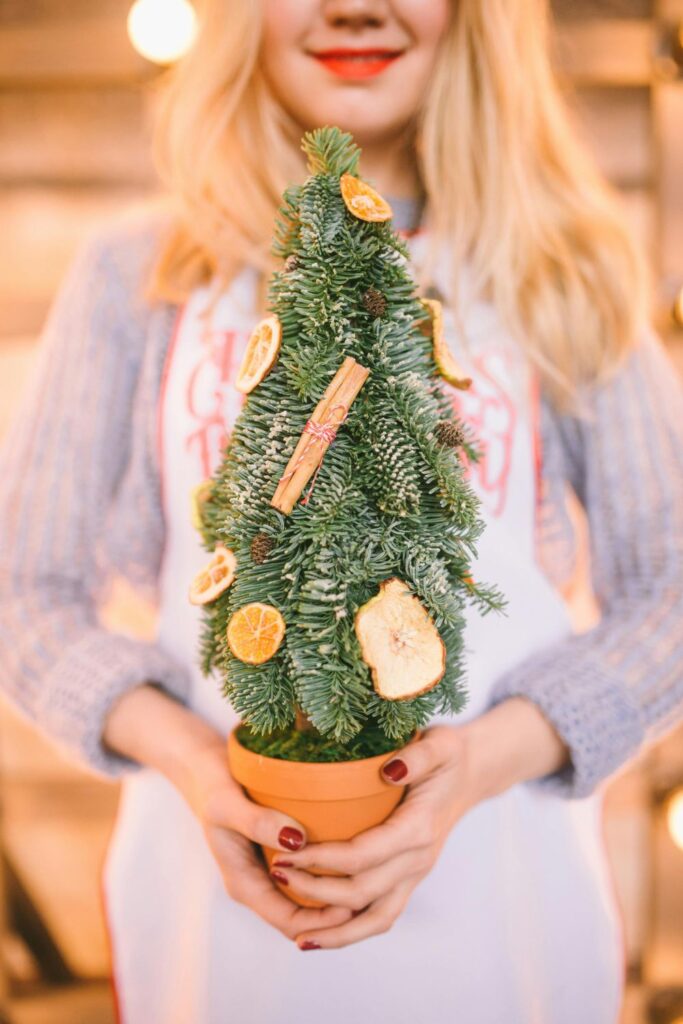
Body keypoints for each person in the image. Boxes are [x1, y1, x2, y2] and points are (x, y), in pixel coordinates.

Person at [1, 0, 682, 1021]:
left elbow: (669, 590)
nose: (353, 5)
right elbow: (24, 595)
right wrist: (194, 763)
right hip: (217, 912)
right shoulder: (139, 276)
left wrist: (480, 761)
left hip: (501, 906)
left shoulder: (562, 269)